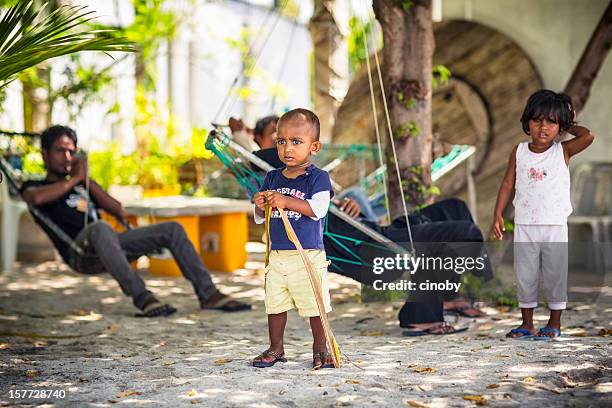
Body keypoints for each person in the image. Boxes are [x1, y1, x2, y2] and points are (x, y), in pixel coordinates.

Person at [21, 125, 251, 317]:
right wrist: (75, 181)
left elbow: (117, 209)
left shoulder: (81, 183)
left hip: (109, 245)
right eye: (60, 151)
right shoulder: (35, 186)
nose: (67, 158)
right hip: (81, 252)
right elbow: (35, 199)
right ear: (44, 154)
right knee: (100, 227)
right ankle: (143, 297)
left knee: (172, 229)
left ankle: (209, 294)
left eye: (72, 152)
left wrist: (85, 179)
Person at [491, 90, 594, 339]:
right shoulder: (519, 151)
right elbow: (507, 184)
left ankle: (554, 324)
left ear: (560, 126)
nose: (543, 127)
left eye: (551, 121)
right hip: (525, 224)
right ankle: (527, 324)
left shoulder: (563, 151)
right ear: (527, 122)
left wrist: (570, 121)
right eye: (537, 120)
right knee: (525, 274)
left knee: (554, 274)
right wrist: (497, 215)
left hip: (554, 225)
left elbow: (588, 136)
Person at [251, 108, 336, 369]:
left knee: (314, 304)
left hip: (307, 255)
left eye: (296, 142)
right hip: (278, 255)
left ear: (314, 146)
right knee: (274, 303)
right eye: (281, 141)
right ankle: (276, 347)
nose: (287, 148)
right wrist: (259, 204)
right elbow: (259, 217)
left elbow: (318, 209)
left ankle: (320, 348)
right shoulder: (272, 177)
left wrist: (286, 201)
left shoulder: (318, 178)